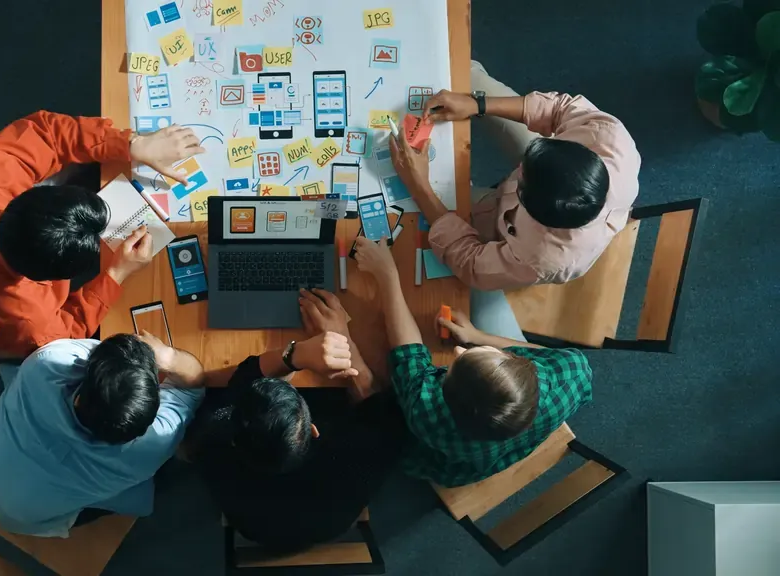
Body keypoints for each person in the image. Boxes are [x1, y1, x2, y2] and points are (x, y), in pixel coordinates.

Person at [0, 111, 206, 356]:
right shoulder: (28, 317)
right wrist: (116, 274)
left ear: (29, 198)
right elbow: (68, 331)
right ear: (45, 281)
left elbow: (45, 133)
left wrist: (132, 144)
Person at [388, 61, 639, 339]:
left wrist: (419, 185)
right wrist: (477, 105)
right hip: (555, 193)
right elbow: (557, 109)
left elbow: (471, 263)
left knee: (410, 213)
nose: (516, 170)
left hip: (514, 242)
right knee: (465, 75)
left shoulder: (540, 255)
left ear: (529, 210)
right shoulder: (610, 140)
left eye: (521, 181)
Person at [352, 237, 592, 487]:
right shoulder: (571, 371)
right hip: (494, 451)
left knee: (380, 388)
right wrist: (477, 336)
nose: (457, 349)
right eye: (481, 352)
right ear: (518, 363)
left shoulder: (427, 413)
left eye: (454, 365)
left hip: (443, 458)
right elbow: (545, 355)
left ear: (443, 395)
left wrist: (387, 275)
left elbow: (409, 352)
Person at [187, 289, 408, 552]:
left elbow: (240, 380)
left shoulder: (210, 445)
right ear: (313, 430)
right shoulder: (357, 459)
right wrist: (341, 339)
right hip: (328, 524)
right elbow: (375, 406)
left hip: (257, 528)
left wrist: (295, 356)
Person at [0, 332, 205, 537]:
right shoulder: (151, 447)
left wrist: (127, 359)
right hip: (27, 514)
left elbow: (96, 353)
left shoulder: (44, 365)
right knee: (146, 490)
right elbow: (193, 383)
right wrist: (169, 357)